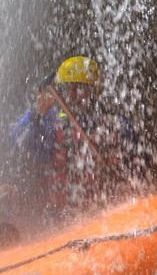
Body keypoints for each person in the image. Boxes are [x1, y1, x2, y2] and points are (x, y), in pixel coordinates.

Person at [9, 55, 142, 220]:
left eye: (79, 88)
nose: (72, 94)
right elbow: (17, 139)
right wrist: (36, 114)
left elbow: (134, 155)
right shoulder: (50, 120)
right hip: (60, 216)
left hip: (101, 213)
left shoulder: (113, 125)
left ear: (93, 90)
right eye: (67, 88)